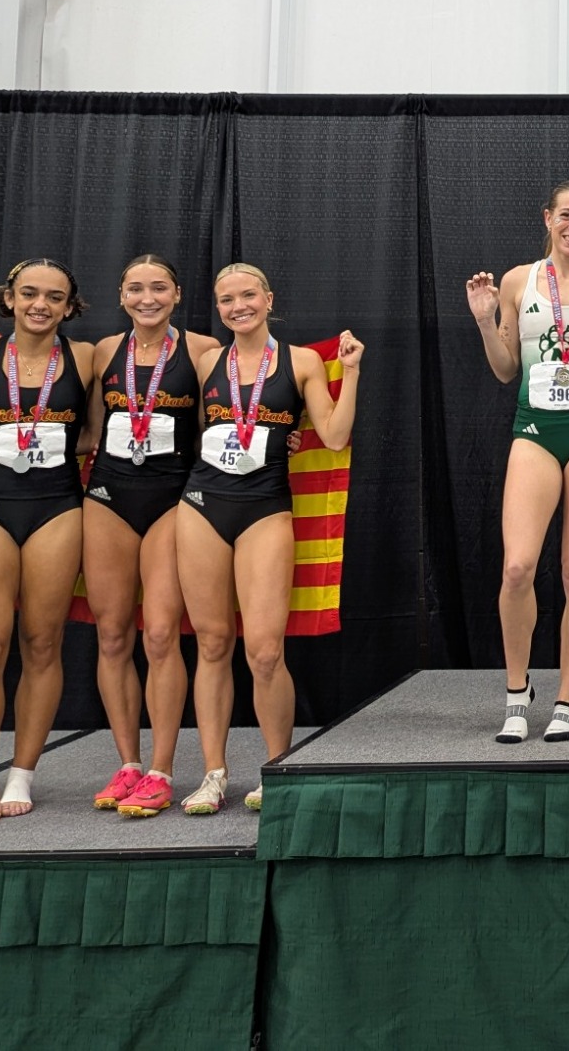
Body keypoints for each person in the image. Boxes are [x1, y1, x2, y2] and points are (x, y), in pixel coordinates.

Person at [176, 264, 360, 814]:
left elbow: (333, 435)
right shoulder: (207, 361)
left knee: (263, 650)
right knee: (211, 644)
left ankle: (277, 766)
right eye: (226, 299)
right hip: (202, 506)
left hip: (266, 511)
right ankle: (213, 772)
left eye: (248, 295)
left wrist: (350, 373)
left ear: (268, 298)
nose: (238, 307)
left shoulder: (301, 362)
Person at [467, 180, 569, 744]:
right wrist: (486, 320)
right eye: (566, 215)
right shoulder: (517, 280)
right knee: (517, 567)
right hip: (534, 427)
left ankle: (567, 700)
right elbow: (507, 369)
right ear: (548, 219)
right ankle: (517, 693)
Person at [0, 258, 96, 820]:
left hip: (58, 506)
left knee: (42, 643)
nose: (41, 305)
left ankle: (22, 774)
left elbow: (93, 432)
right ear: (8, 298)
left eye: (54, 297)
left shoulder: (86, 359)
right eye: (30, 294)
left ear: (70, 306)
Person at [84, 255, 221, 817]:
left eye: (159, 288)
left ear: (177, 293)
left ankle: (163, 767)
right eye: (136, 288)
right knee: (112, 635)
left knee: (161, 635)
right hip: (109, 499)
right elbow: (88, 429)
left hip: (172, 500)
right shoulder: (100, 353)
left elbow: (238, 412)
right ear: (121, 295)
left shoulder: (203, 351)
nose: (148, 298)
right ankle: (128, 764)